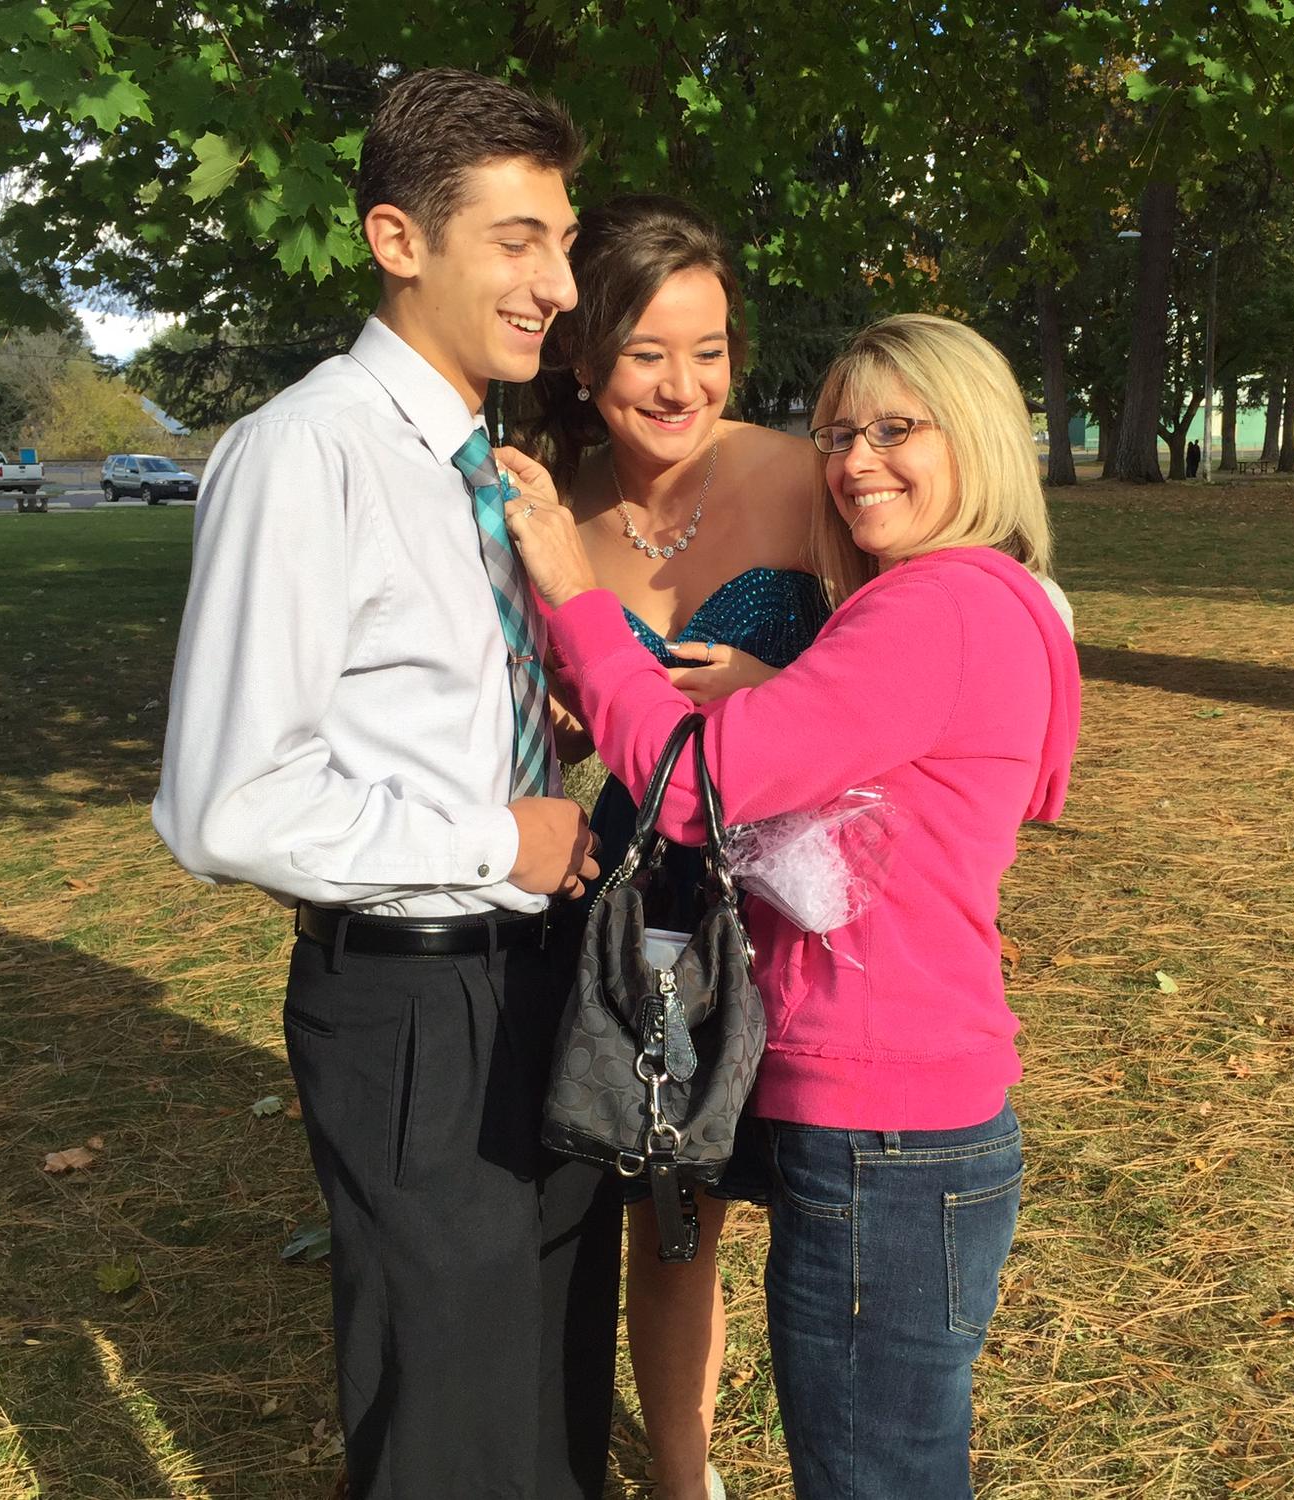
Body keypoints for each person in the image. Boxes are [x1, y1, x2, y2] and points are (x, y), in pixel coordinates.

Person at [508, 312, 1081, 1498]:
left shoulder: (935, 609)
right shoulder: (977, 598)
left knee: (873, 1471)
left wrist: (573, 596)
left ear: (975, 435)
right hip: (905, 1113)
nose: (856, 462)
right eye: (838, 434)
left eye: (895, 430)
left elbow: (690, 789)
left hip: (885, 1124)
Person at [152, 69, 621, 1500]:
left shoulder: (482, 462)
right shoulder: (307, 454)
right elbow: (227, 803)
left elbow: (401, 707)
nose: (559, 284)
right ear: (398, 239)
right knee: (452, 1425)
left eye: (563, 241)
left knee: (551, 1394)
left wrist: (531, 719)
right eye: (517, 240)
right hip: (419, 1010)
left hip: (543, 976)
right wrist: (497, 835)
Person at [519, 194, 830, 1500]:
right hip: (646, 899)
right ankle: (682, 1478)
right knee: (671, 1210)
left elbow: (906, 655)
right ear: (585, 358)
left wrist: (778, 685)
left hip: (801, 888)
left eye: (709, 350)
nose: (683, 384)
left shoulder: (808, 478)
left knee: (821, 1194)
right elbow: (553, 715)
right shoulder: (551, 512)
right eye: (648, 353)